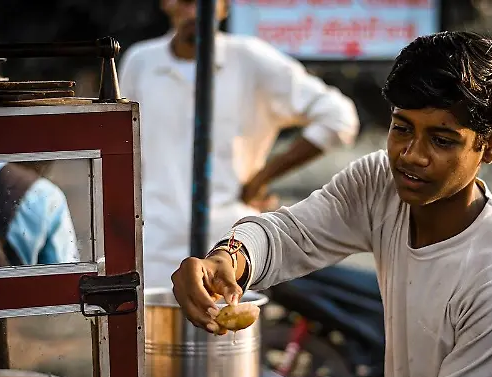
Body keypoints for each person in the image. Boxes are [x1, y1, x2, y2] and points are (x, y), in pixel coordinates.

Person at [171, 31, 492, 377]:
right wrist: (230, 256)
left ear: (491, 144)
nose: (412, 155)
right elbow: (293, 234)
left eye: (442, 140)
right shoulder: (380, 183)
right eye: (401, 128)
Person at [117, 0, 360, 288]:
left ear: (224, 7)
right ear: (166, 3)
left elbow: (338, 117)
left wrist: (262, 177)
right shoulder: (141, 61)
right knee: (157, 330)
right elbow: (121, 146)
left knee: (230, 328)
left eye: (204, 4)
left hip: (233, 243)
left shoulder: (249, 58)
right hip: (155, 243)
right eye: (185, 2)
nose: (195, 13)